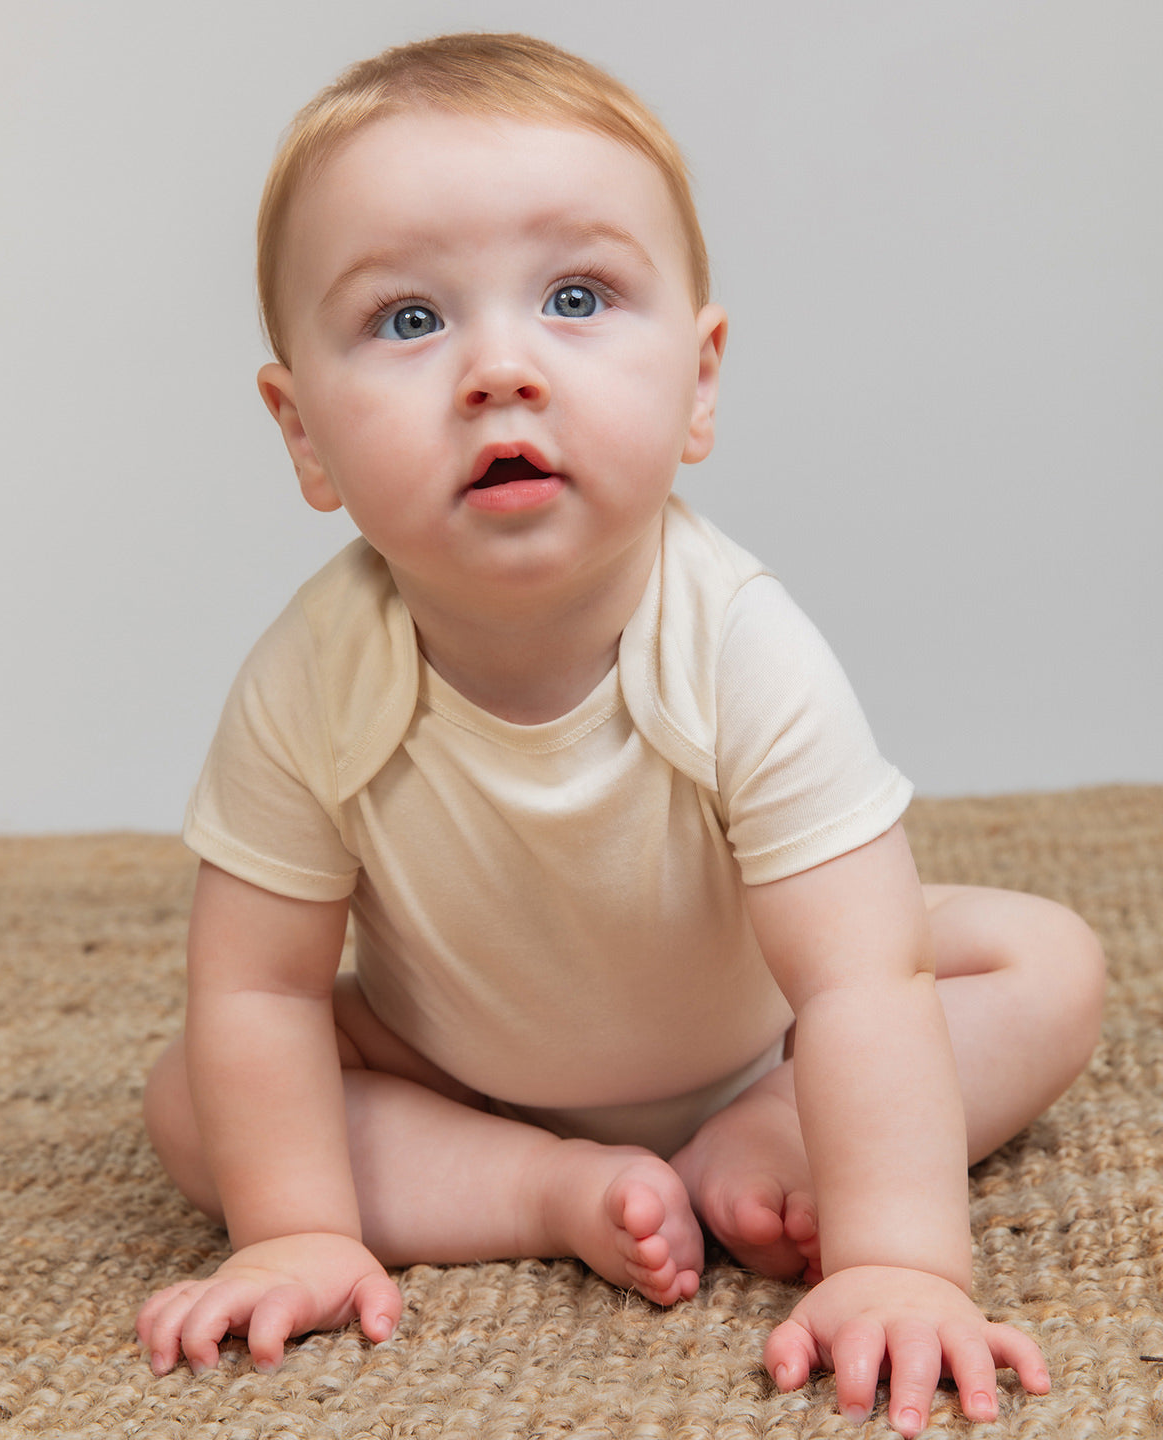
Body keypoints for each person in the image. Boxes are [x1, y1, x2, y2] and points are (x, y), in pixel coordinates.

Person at [134, 32, 1105, 1437]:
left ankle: (762, 1145)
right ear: (305, 438)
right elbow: (267, 991)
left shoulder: (737, 643)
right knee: (197, 1097)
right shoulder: (311, 676)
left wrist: (901, 1263)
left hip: (767, 1035)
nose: (498, 368)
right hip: (456, 1062)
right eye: (410, 320)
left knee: (1043, 962)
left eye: (575, 297)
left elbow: (862, 980)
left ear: (700, 380)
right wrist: (294, 1229)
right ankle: (541, 1191)